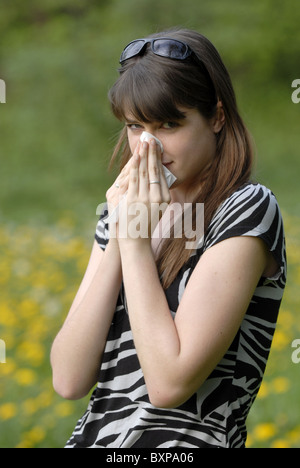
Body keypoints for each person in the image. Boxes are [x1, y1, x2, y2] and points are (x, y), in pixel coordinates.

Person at [51, 28, 287, 448]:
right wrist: (123, 233)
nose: (148, 146)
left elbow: (169, 384)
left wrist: (136, 241)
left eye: (169, 123)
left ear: (216, 116)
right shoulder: (123, 215)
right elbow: (68, 378)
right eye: (135, 125)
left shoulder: (245, 209)